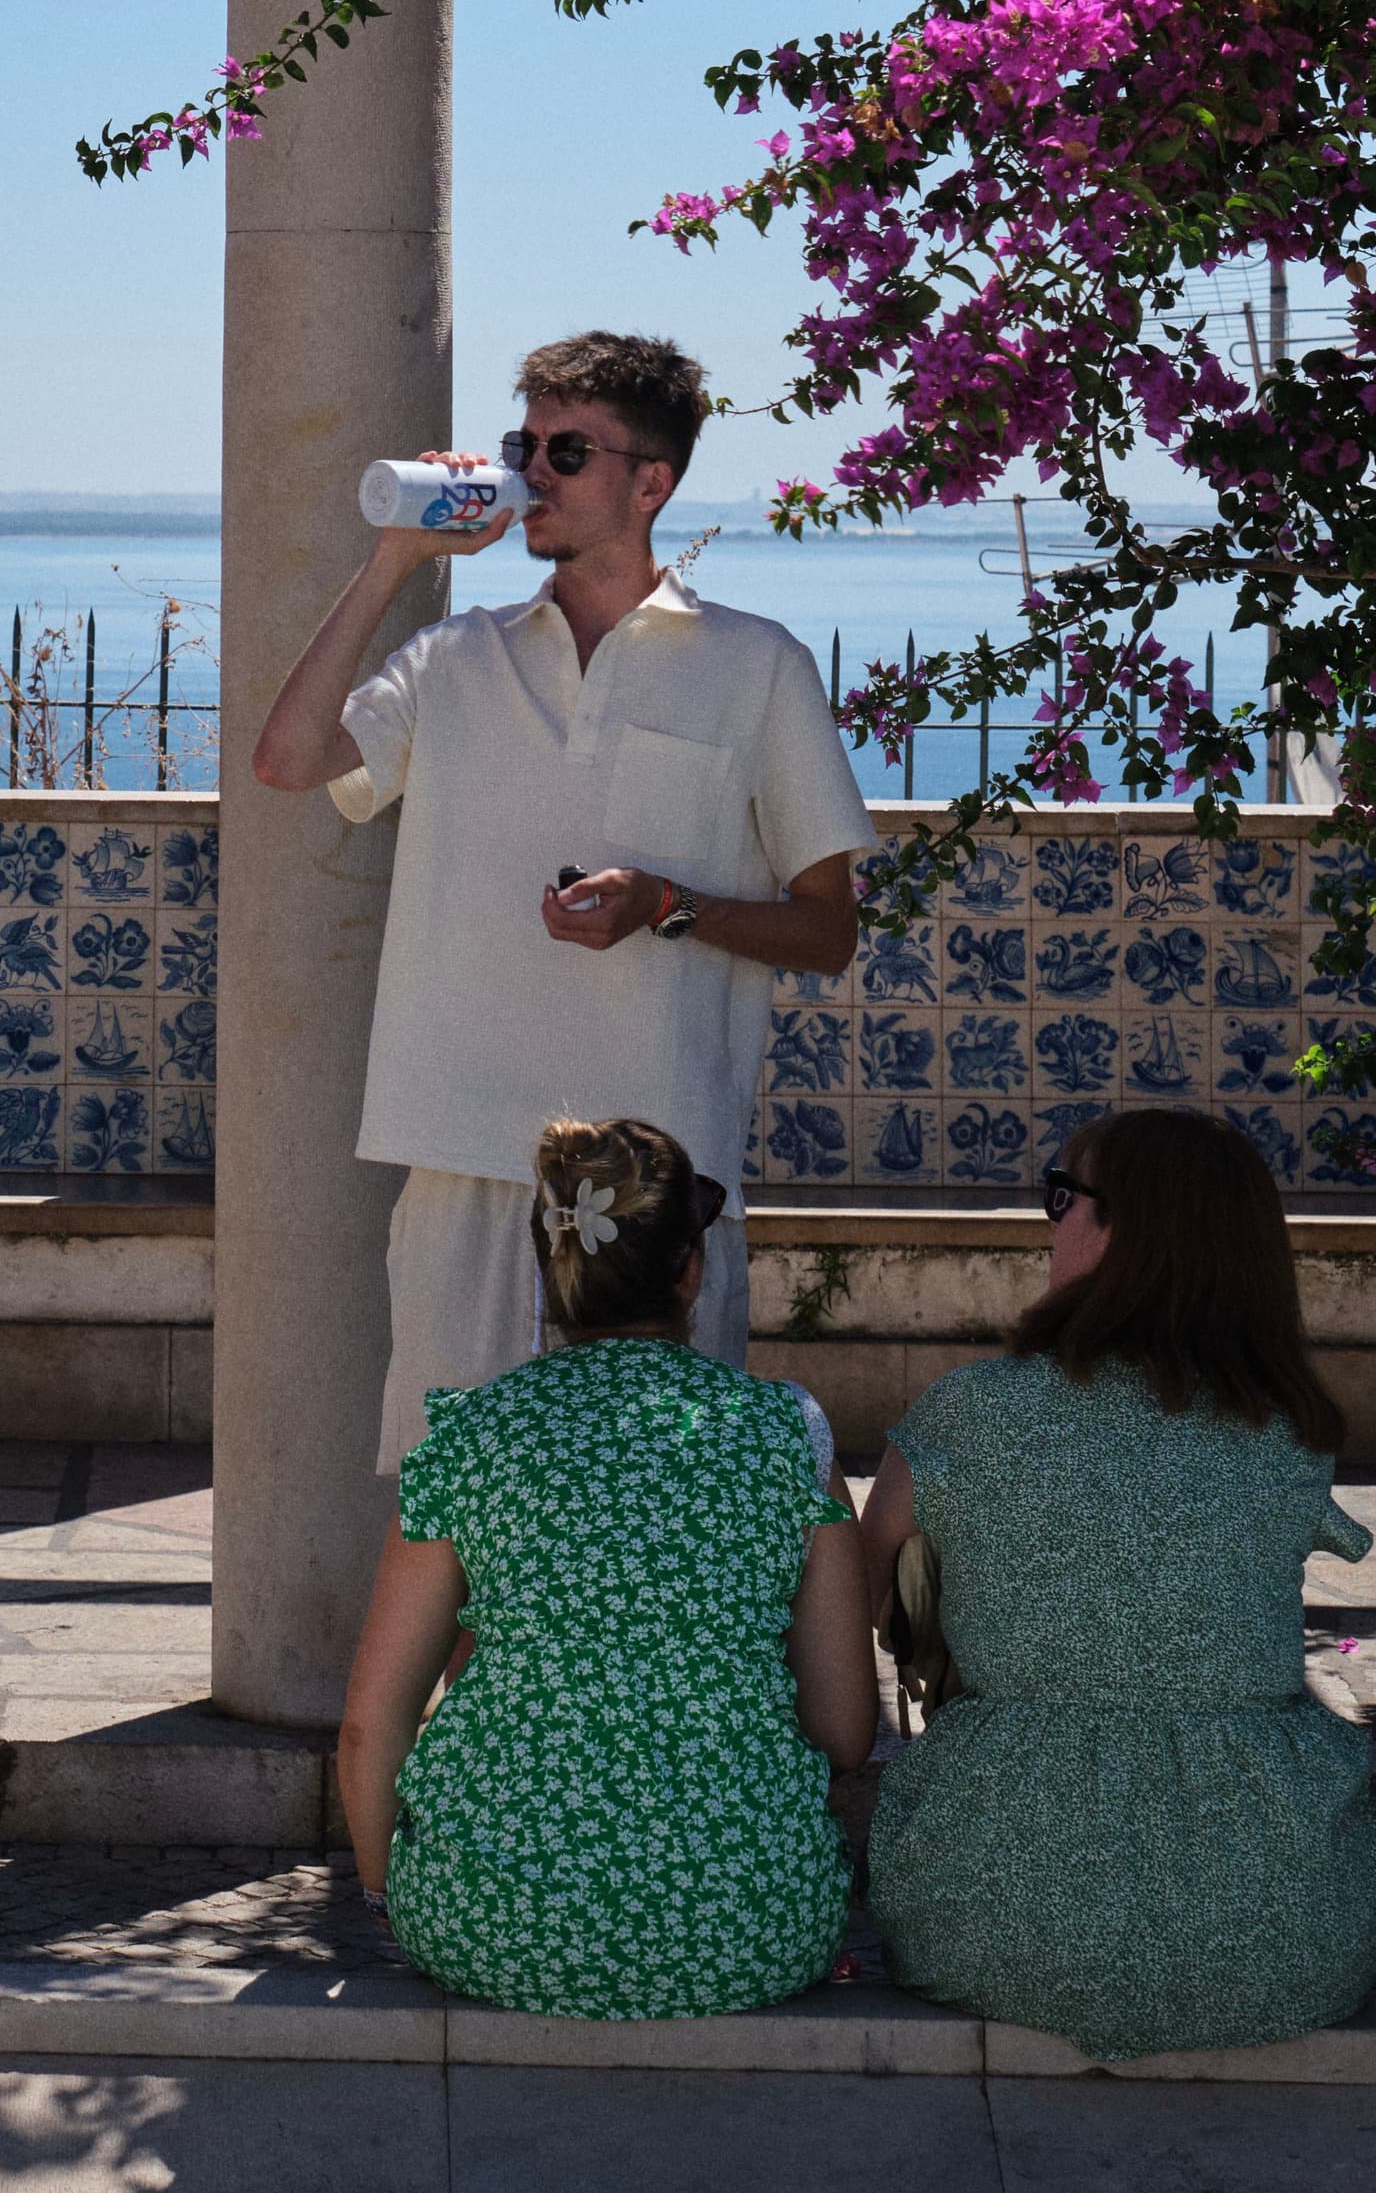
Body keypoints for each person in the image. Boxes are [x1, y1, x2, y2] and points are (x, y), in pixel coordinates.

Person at [253, 328, 873, 1472]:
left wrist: (666, 905)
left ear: (651, 480)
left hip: (658, 1189)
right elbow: (288, 760)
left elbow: (827, 929)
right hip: (463, 1160)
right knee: (455, 1521)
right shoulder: (454, 657)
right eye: (521, 442)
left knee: (661, 1512)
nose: (531, 471)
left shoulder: (757, 666)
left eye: (567, 449)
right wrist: (394, 559)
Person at [862, 1105, 1376, 2064]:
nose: (1050, 1222)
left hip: (998, 1914)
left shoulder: (970, 1414)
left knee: (927, 1549)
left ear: (1127, 1233)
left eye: (1065, 1198)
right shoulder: (1289, 1429)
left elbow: (867, 1592)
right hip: (1280, 1932)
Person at [336, 1114, 878, 2020]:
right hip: (754, 1927)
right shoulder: (791, 1437)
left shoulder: (471, 1435)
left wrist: (384, 1896)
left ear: (553, 1272)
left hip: (489, 1925)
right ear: (691, 1270)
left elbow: (369, 1726)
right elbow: (847, 1730)